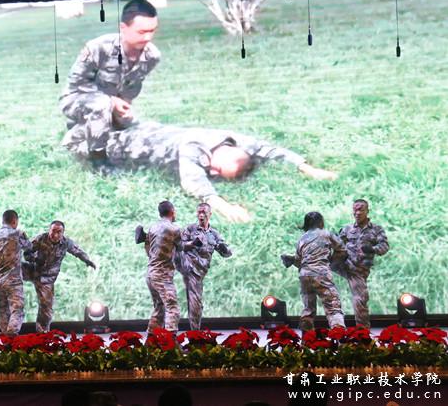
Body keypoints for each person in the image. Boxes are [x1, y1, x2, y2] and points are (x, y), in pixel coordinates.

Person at [103, 121, 337, 223]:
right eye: (218, 167)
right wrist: (225, 207)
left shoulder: (234, 143)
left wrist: (308, 169)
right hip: (129, 146)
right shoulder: (193, 146)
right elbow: (193, 182)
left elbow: (270, 150)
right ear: (222, 152)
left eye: (219, 173)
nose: (213, 172)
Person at [60, 0, 161, 164]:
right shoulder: (98, 47)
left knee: (133, 128)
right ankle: (99, 160)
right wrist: (111, 101)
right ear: (123, 28)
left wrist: (123, 112)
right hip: (76, 99)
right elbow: (77, 85)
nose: (148, 37)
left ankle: (76, 136)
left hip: (109, 105)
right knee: (102, 105)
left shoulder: (151, 56)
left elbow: (130, 90)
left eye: (152, 31)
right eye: (142, 32)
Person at [0, 220, 96, 333]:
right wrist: (33, 259)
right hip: (33, 269)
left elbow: (77, 251)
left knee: (46, 309)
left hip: (47, 279)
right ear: (49, 230)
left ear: (63, 233)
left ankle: (42, 334)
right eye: (53, 231)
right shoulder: (41, 238)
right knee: (8, 268)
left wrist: (87, 260)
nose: (55, 234)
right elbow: (28, 251)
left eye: (59, 232)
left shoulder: (66, 243)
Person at [281, 211, 346, 331]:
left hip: (304, 275)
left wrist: (291, 259)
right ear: (321, 222)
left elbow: (299, 261)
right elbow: (342, 250)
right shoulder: (326, 234)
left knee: (308, 309)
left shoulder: (302, 238)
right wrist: (332, 261)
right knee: (333, 306)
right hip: (321, 274)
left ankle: (307, 335)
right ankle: (339, 334)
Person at [332, 199, 389, 328]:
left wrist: (372, 249)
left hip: (358, 270)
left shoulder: (376, 229)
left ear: (367, 211)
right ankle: (298, 260)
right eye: (355, 210)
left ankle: (362, 331)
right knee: (318, 260)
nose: (357, 213)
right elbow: (337, 244)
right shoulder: (347, 229)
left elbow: (384, 247)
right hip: (343, 264)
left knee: (360, 299)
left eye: (361, 210)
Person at [176, 202, 233, 330]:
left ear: (210, 214)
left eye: (204, 212)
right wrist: (192, 243)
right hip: (188, 265)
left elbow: (227, 253)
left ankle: (195, 331)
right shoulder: (191, 229)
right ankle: (195, 334)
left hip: (200, 271)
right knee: (195, 302)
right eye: (199, 212)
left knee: (196, 302)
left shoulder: (214, 234)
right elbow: (180, 246)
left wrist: (224, 249)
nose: (201, 215)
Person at [0, 209, 32, 336]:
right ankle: (11, 336)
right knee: (17, 309)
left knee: (4, 310)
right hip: (13, 280)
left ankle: (4, 339)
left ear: (2, 221)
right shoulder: (17, 234)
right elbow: (29, 247)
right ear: (14, 221)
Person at [143, 200, 182, 333]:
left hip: (150, 274)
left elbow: (147, 249)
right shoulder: (174, 229)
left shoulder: (152, 228)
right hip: (162, 276)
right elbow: (182, 247)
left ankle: (151, 340)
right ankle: (171, 340)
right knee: (172, 308)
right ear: (172, 212)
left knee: (159, 307)